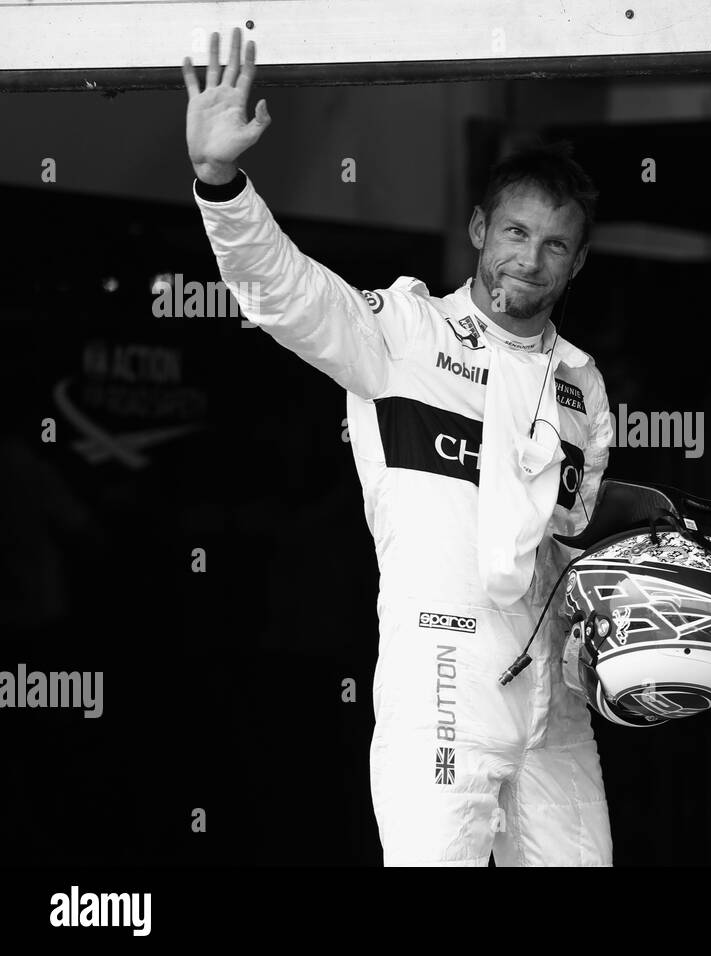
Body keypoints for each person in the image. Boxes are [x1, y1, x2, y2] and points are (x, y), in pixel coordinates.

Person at [182, 29, 616, 866]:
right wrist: (219, 181)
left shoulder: (582, 384)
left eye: (555, 244)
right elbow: (284, 289)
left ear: (578, 262)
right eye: (516, 233)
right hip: (444, 682)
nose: (530, 259)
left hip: (557, 706)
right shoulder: (404, 332)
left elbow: (576, 544)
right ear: (480, 228)